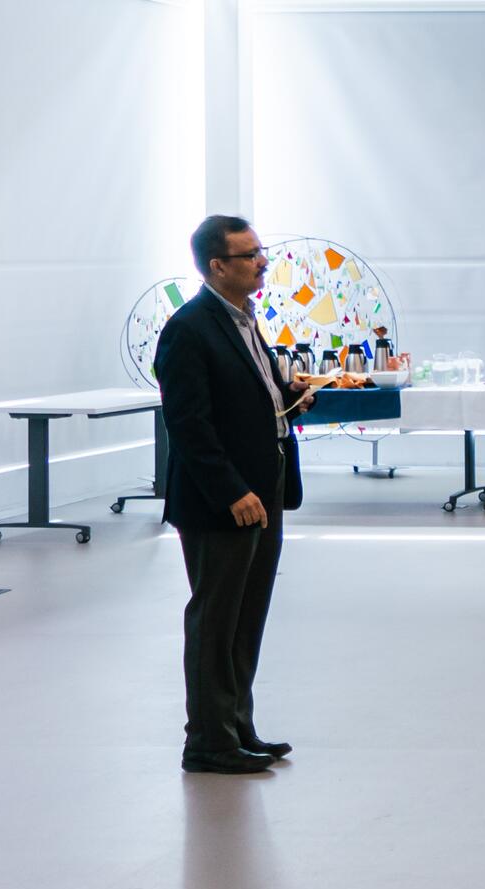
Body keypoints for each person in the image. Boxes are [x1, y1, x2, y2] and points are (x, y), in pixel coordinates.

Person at [155, 215, 316, 775]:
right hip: (223, 501)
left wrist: (290, 395)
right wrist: (231, 491)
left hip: (265, 489)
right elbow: (189, 424)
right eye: (250, 256)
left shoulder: (246, 320)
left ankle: (236, 725)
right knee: (215, 619)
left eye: (261, 252)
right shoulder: (189, 328)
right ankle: (207, 742)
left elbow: (250, 397)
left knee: (247, 616)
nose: (262, 263)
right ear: (217, 266)